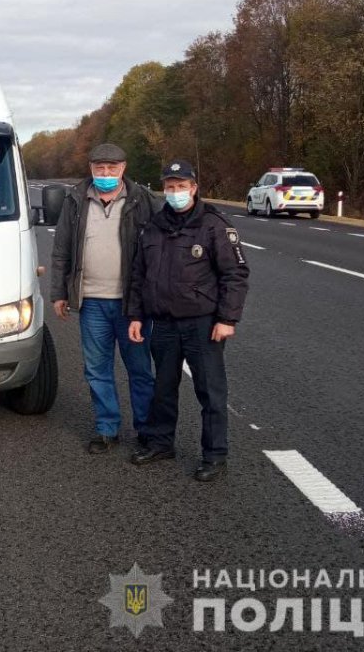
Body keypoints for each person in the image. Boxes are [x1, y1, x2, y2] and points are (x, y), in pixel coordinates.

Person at [127, 159, 249, 481]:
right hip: (164, 322)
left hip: (202, 323)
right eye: (170, 187)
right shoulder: (154, 226)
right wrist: (136, 315)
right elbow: (139, 275)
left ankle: (215, 456)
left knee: (210, 392)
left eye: (181, 186)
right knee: (163, 389)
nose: (176, 192)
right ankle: (161, 443)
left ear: (194, 188)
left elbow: (235, 274)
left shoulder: (214, 225)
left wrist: (227, 318)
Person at [50, 143, 161, 453]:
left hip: (131, 304)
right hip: (92, 302)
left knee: (139, 370)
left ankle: (146, 429)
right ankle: (107, 428)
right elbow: (61, 250)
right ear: (91, 168)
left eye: (112, 168)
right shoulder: (75, 200)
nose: (106, 173)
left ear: (123, 168)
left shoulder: (143, 200)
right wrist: (59, 293)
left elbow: (163, 245)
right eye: (100, 168)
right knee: (97, 369)